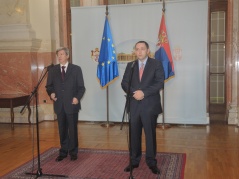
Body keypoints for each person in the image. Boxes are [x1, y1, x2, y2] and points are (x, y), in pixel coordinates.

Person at [121, 41, 164, 174]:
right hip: (134, 105)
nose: (139, 51)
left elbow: (159, 83)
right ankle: (134, 161)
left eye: (142, 49)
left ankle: (151, 162)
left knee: (150, 135)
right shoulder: (131, 65)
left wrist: (143, 93)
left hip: (150, 105)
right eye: (137, 49)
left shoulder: (156, 64)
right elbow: (124, 83)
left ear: (148, 50)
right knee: (134, 134)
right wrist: (135, 93)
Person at [46, 47, 85, 162]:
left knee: (72, 130)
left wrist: (77, 98)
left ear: (67, 56)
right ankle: (63, 151)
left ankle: (73, 152)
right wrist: (51, 93)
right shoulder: (53, 70)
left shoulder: (76, 69)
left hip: (72, 104)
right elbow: (49, 86)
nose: (60, 56)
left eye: (62, 54)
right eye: (58, 54)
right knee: (62, 129)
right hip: (59, 104)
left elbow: (81, 87)